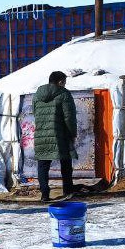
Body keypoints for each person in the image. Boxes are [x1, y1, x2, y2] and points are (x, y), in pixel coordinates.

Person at [32, 70, 77, 202]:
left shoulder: (37, 95)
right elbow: (69, 117)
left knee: (43, 166)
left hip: (41, 134)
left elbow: (34, 112)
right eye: (64, 82)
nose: (65, 84)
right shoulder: (64, 94)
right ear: (60, 81)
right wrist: (72, 133)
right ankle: (68, 191)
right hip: (60, 134)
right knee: (66, 163)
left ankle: (44, 194)